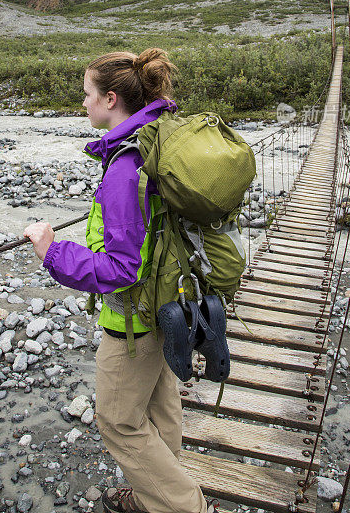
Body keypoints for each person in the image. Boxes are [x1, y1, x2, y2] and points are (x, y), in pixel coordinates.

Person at [23, 49, 216, 513]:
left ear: (110, 99)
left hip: (133, 320)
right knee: (159, 405)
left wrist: (53, 251)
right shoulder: (153, 142)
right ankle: (156, 499)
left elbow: (121, 269)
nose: (83, 104)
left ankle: (185, 507)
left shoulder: (125, 170)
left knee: (117, 422)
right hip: (169, 303)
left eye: (87, 95)